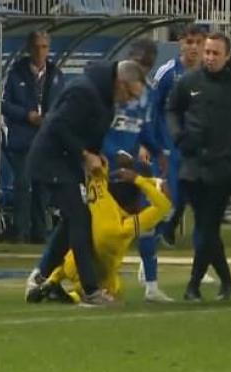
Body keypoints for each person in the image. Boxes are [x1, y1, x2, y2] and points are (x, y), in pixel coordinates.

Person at [25, 60, 147, 306]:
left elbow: (89, 135)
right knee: (81, 218)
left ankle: (40, 278)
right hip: (51, 161)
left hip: (66, 163)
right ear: (119, 83)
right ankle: (91, 291)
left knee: (73, 219)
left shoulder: (104, 99)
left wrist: (96, 153)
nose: (129, 101)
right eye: (129, 94)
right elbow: (57, 125)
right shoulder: (84, 91)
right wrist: (84, 153)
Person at [168, 32, 231, 302]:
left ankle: (193, 285)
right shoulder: (189, 81)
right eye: (207, 52)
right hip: (192, 166)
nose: (210, 58)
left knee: (206, 227)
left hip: (223, 168)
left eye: (215, 54)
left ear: (228, 56)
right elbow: (172, 109)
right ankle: (226, 282)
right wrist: (178, 136)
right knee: (207, 229)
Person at [29, 159, 170, 304]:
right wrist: (140, 179)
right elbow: (163, 205)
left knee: (80, 243)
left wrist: (121, 175)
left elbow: (97, 169)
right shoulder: (124, 227)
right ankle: (75, 296)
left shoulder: (101, 199)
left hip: (69, 266)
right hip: (98, 276)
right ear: (135, 198)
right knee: (115, 292)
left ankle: (52, 282)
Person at [99, 38, 173, 303]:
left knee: (145, 223)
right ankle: (82, 281)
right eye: (139, 63)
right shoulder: (108, 89)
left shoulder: (148, 93)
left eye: (147, 65)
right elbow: (96, 130)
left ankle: (151, 286)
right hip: (103, 170)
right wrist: (113, 153)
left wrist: (158, 150)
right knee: (102, 233)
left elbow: (144, 128)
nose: (142, 69)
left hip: (131, 169)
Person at [2, 31, 64, 243]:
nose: (40, 51)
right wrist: (26, 115)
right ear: (29, 49)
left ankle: (40, 233)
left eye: (44, 47)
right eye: (37, 47)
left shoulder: (55, 74)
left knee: (42, 187)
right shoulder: (16, 73)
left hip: (46, 140)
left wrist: (50, 118)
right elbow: (1, 105)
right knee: (23, 185)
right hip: (22, 139)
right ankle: (20, 232)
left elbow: (62, 105)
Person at [155, 25, 206, 248]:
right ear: (180, 44)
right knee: (171, 190)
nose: (193, 47)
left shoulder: (209, 73)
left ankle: (167, 230)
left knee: (193, 189)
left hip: (197, 142)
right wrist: (151, 144)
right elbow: (153, 109)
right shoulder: (167, 72)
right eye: (189, 42)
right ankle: (157, 232)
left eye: (198, 42)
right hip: (169, 143)